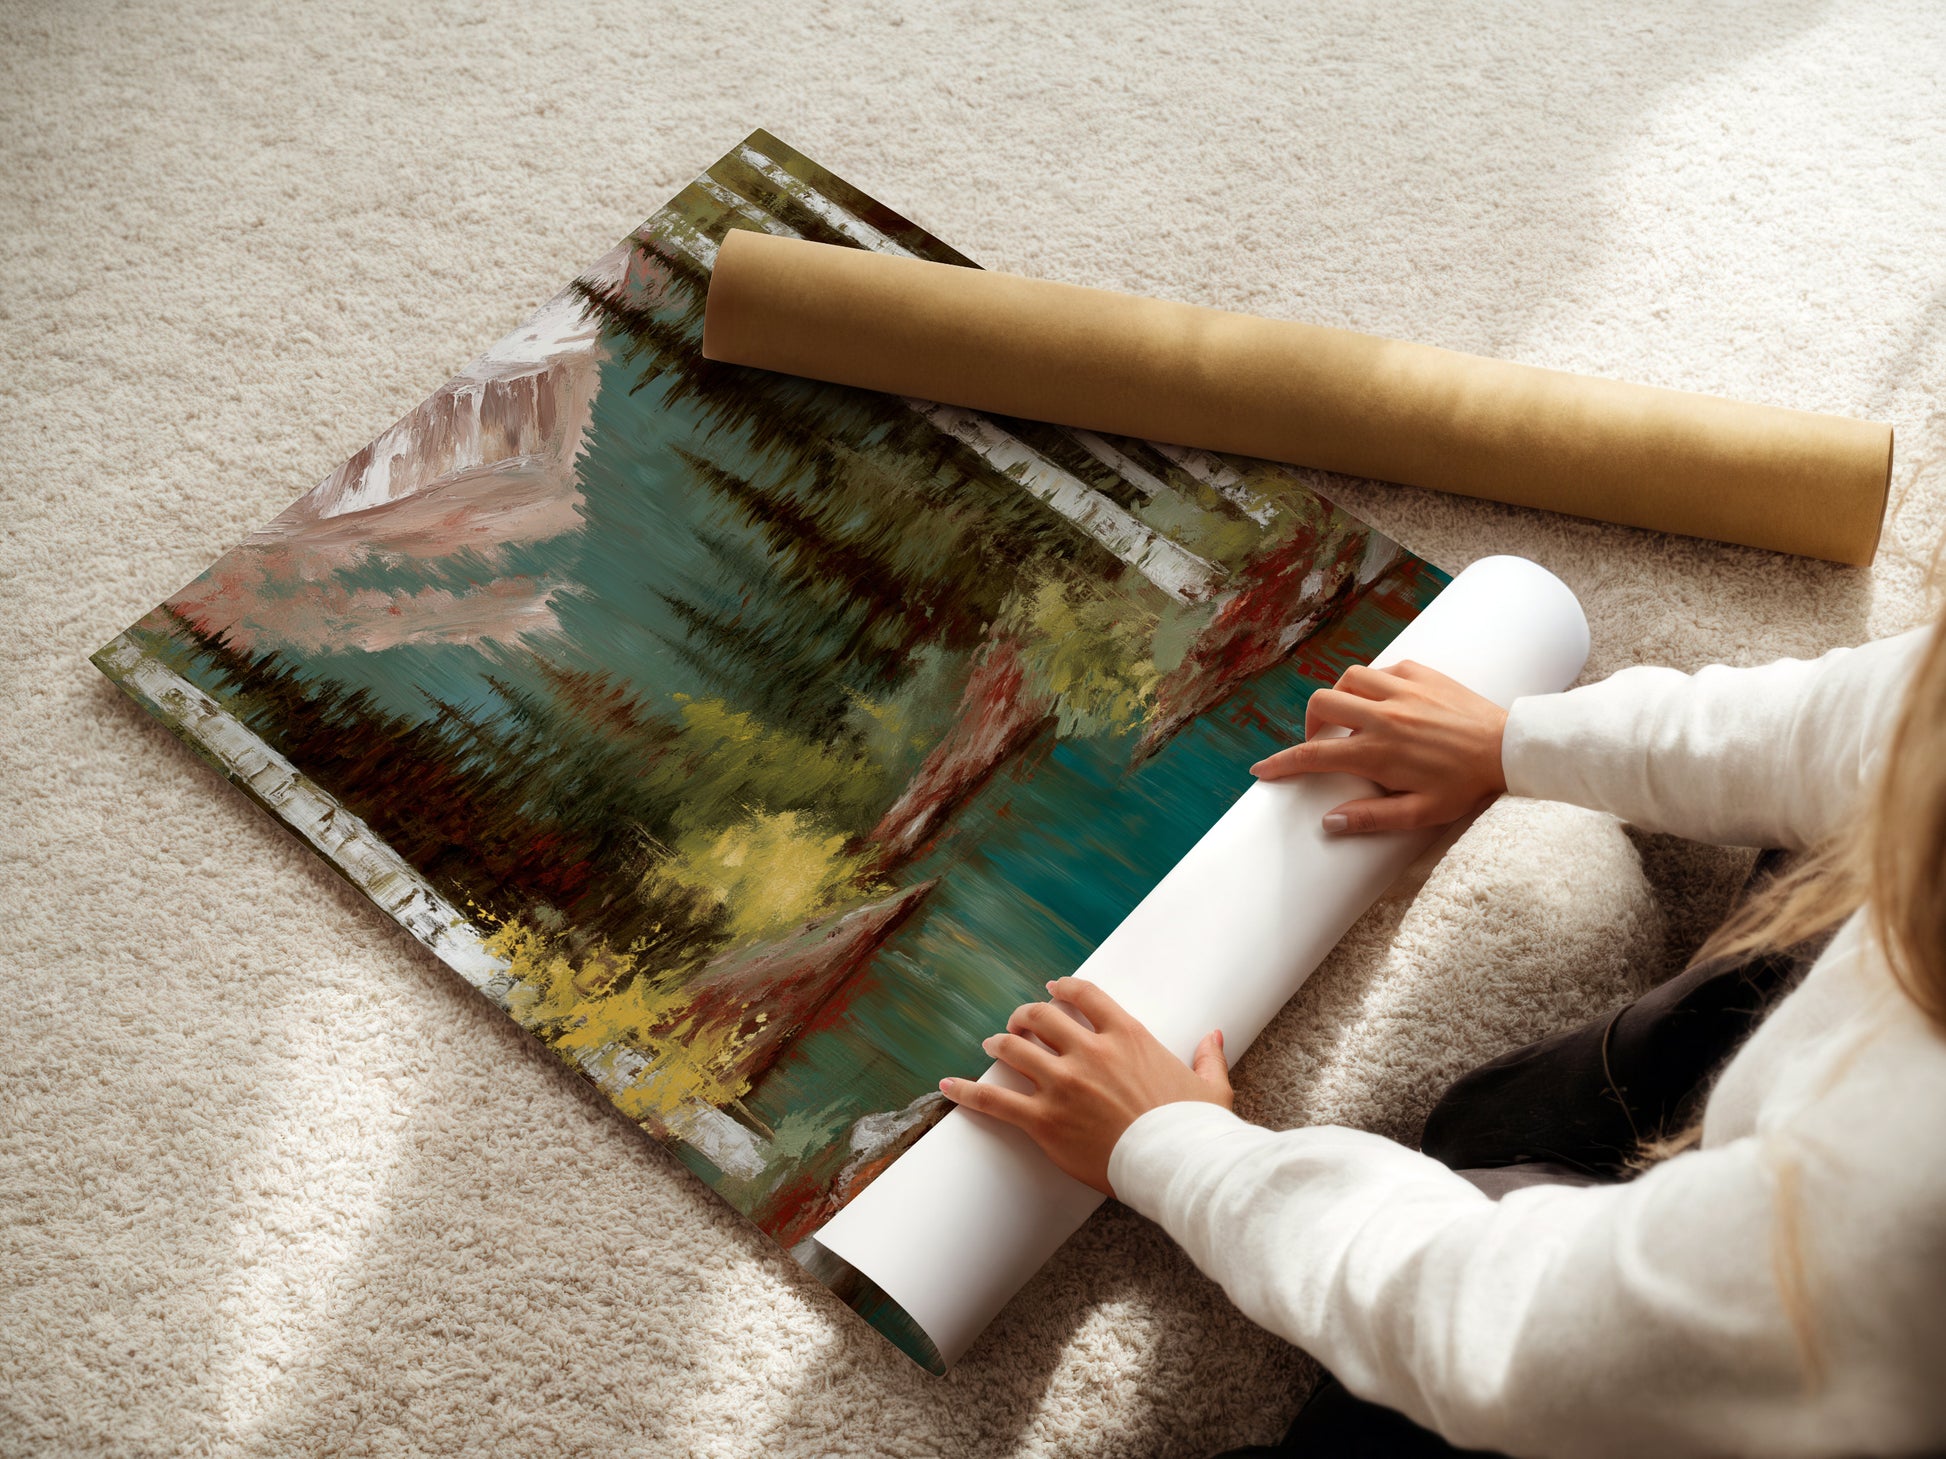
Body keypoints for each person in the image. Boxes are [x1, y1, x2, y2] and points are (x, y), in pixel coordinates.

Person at [938, 615, 1946, 1457]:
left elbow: (1508, 1330)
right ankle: (1546, 1144)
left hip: (1805, 1367)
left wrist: (1174, 1149)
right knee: (1502, 1121)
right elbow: (1868, 719)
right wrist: (1513, 740)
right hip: (1798, 1183)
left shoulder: (1896, 1208)